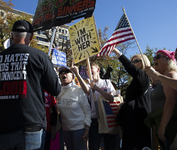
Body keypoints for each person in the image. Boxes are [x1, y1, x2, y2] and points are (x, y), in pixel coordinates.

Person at [0, 20, 61, 150]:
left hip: (3, 126)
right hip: (31, 125)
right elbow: (55, 88)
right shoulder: (39, 56)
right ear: (31, 37)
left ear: (12, 35)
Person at [70, 62, 117, 150]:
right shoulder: (88, 85)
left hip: (107, 119)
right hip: (95, 120)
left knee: (110, 146)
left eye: (91, 68)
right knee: (94, 146)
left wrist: (97, 89)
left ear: (98, 70)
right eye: (87, 69)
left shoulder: (106, 82)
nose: (88, 71)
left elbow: (111, 98)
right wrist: (76, 73)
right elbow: (87, 91)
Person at [112, 48, 151, 150]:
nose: (133, 63)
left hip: (139, 121)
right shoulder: (136, 80)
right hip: (131, 121)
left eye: (136, 61)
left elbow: (130, 68)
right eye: (132, 61)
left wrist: (118, 53)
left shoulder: (144, 75)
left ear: (144, 62)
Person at [57, 66, 91, 150]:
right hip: (65, 130)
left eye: (66, 72)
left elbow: (87, 110)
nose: (63, 74)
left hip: (79, 130)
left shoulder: (78, 90)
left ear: (73, 77)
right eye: (62, 72)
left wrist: (87, 129)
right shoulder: (58, 91)